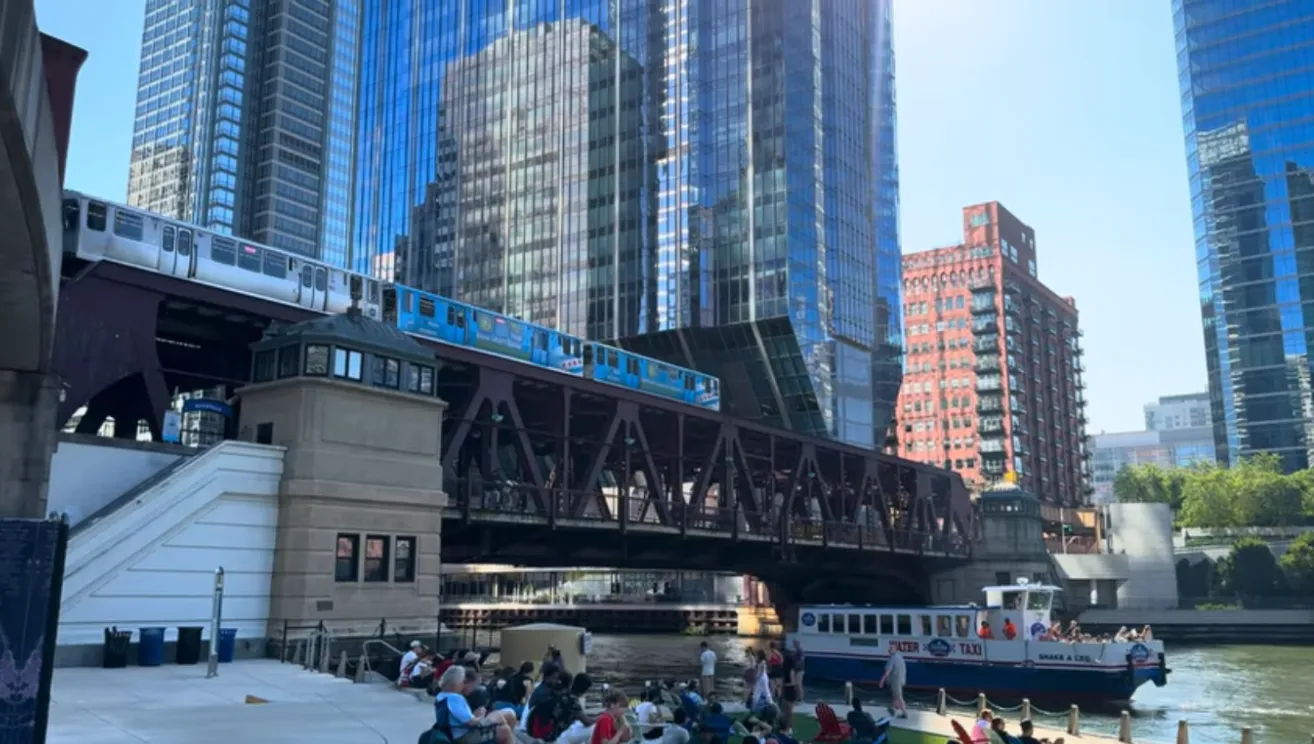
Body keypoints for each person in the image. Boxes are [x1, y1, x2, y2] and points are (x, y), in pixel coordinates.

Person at [434, 665, 514, 744]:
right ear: (455, 683)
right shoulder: (454, 698)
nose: (463, 685)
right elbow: (471, 723)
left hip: (454, 733)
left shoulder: (441, 696)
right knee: (504, 729)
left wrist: (475, 715)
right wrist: (483, 717)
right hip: (464, 737)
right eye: (462, 682)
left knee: (502, 721)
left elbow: (458, 718)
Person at [878, 650, 906, 718]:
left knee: (899, 697)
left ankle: (904, 713)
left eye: (890, 650)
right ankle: (893, 709)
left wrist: (882, 681)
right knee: (895, 696)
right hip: (900, 679)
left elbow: (888, 671)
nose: (889, 651)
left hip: (895, 680)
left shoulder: (892, 659)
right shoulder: (900, 658)